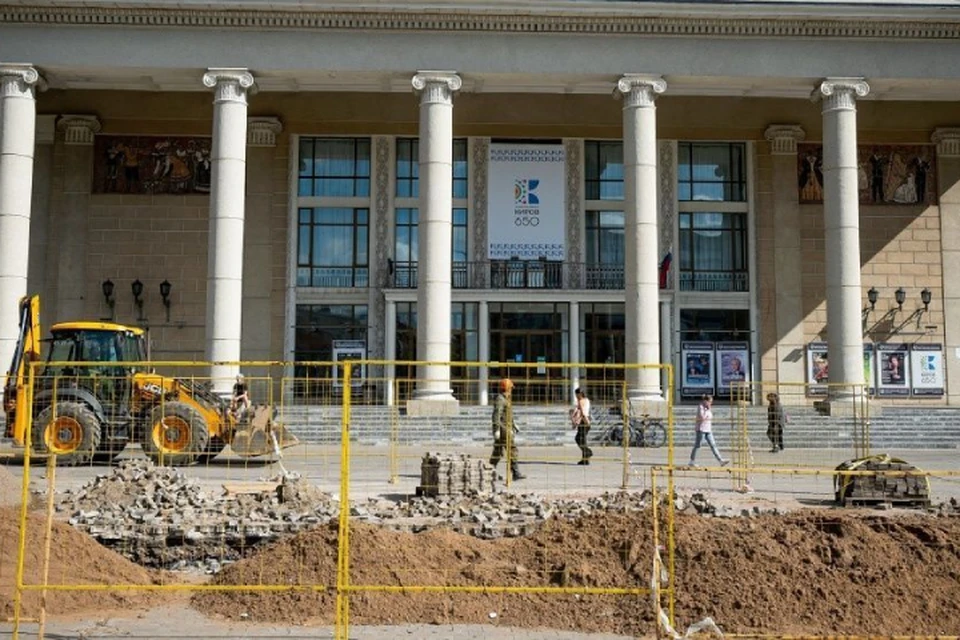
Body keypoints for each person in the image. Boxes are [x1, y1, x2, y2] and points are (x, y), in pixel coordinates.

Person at [490, 378, 525, 481]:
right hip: (503, 428)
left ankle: (490, 471)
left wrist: (514, 425)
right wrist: (497, 429)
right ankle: (516, 473)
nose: (511, 390)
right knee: (512, 449)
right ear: (507, 388)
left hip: (507, 427)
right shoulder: (500, 399)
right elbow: (496, 415)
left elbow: (508, 414)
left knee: (498, 451)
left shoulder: (506, 398)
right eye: (510, 388)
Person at [688, 394, 728, 467]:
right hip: (701, 429)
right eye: (709, 402)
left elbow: (710, 417)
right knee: (697, 445)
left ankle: (720, 460)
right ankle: (691, 461)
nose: (711, 403)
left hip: (708, 429)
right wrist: (707, 409)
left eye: (711, 402)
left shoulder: (707, 408)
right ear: (705, 401)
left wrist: (708, 409)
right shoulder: (701, 407)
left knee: (713, 445)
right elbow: (702, 417)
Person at [571, 387, 593, 465]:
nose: (576, 396)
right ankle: (585, 460)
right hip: (587, 421)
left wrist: (577, 422)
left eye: (576, 394)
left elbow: (583, 413)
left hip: (584, 421)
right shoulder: (587, 400)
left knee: (578, 439)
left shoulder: (580, 401)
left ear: (579, 394)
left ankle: (588, 452)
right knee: (583, 440)